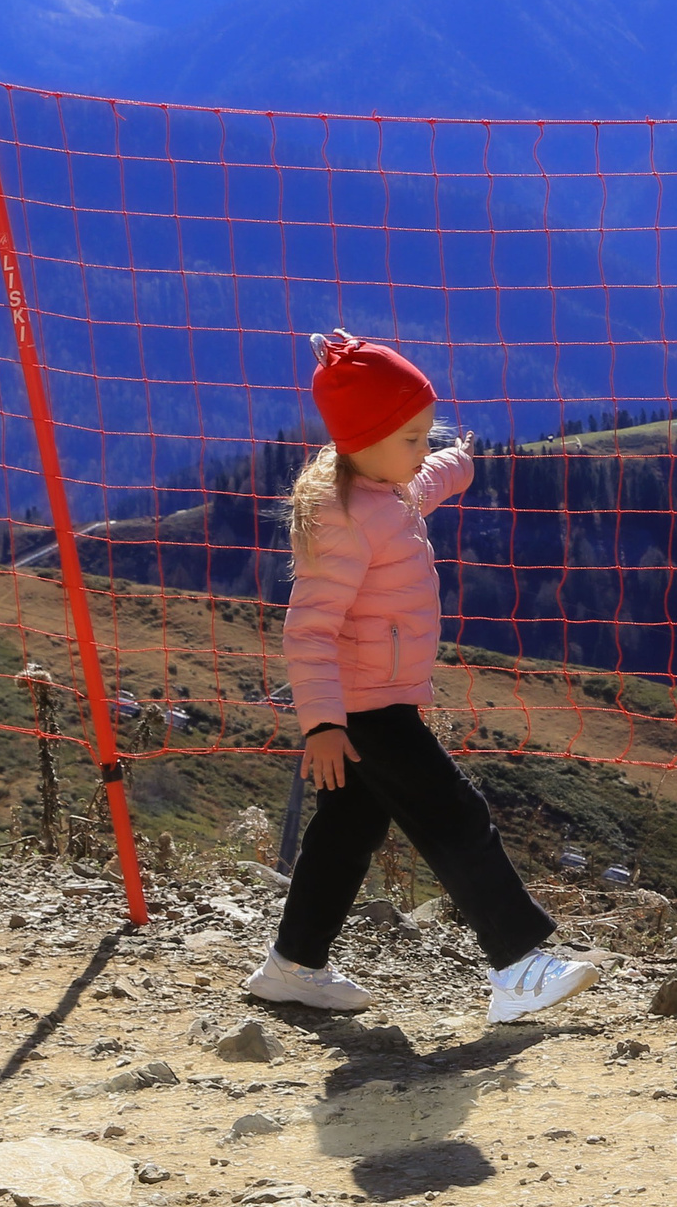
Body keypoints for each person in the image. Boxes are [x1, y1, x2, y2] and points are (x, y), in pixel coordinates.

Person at [245, 330, 599, 1024]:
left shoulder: (384, 487)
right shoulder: (345, 520)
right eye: (411, 437)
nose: (420, 448)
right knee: (455, 816)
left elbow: (420, 484)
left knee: (346, 831)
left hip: (372, 699)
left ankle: (293, 964)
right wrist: (321, 721)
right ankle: (518, 966)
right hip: (366, 709)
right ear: (364, 439)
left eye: (425, 434)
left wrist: (456, 464)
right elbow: (309, 629)